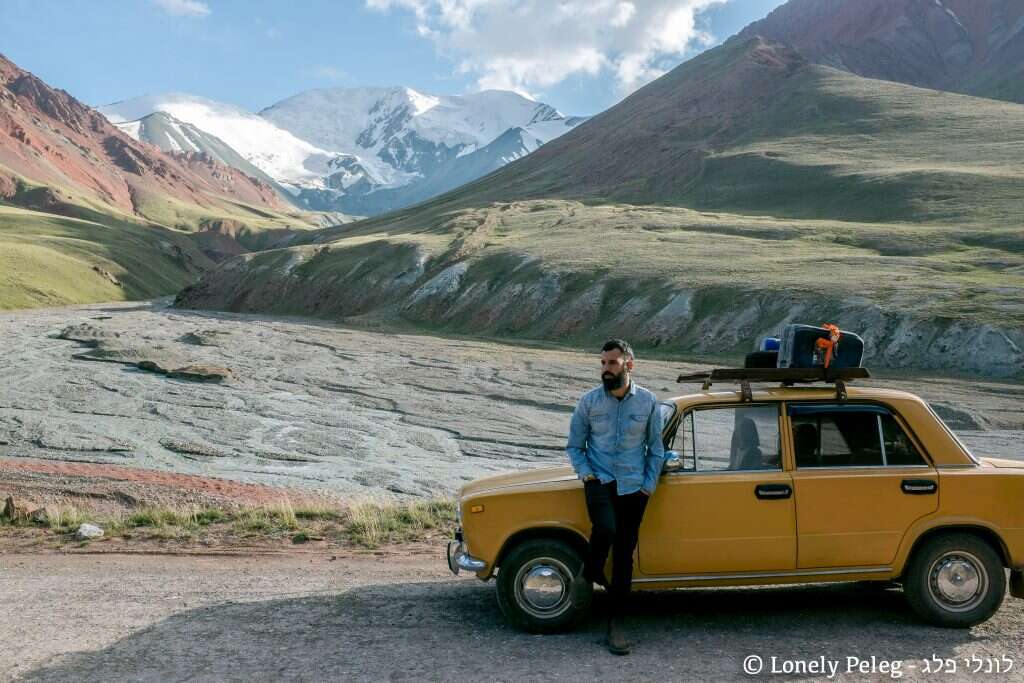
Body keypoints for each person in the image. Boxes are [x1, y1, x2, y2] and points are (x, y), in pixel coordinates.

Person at [565, 338, 665, 655]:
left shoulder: (648, 402)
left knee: (624, 556)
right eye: (603, 363)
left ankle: (616, 625)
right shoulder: (589, 402)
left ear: (628, 364)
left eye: (612, 363)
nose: (605, 369)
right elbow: (574, 446)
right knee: (605, 528)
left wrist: (648, 487)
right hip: (600, 481)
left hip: (634, 488)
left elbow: (656, 449)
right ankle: (589, 573)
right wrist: (587, 475)